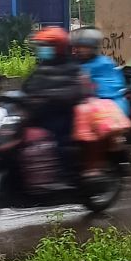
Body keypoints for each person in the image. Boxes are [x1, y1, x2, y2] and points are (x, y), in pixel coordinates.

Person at [20, 26, 86, 169]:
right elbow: (27, 86)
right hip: (39, 112)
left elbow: (75, 91)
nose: (42, 49)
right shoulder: (42, 67)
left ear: (57, 47)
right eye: (40, 46)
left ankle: (66, 174)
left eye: (45, 46)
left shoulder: (71, 67)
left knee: (60, 140)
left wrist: (50, 97)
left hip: (61, 113)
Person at [70, 27, 129, 116]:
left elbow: (108, 90)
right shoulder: (77, 64)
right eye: (77, 46)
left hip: (107, 112)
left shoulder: (104, 63)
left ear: (92, 47)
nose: (78, 50)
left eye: (82, 46)